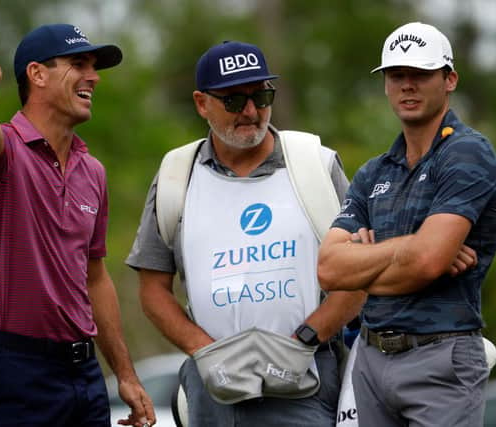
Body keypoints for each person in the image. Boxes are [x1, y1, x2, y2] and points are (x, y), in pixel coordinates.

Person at [126, 40, 365, 426]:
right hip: (211, 387)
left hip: (306, 379)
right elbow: (153, 290)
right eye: (234, 101)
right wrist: (206, 352)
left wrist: (304, 340)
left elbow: (359, 277)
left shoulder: (316, 164)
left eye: (261, 95)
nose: (251, 112)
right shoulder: (176, 175)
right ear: (202, 103)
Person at [0, 24, 155, 427]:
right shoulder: (5, 148)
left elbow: (95, 277)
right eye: (78, 64)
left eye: (94, 67)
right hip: (12, 372)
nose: (94, 77)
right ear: (37, 74)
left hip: (83, 376)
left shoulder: (93, 171)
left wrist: (125, 374)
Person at [317, 22, 496, 426]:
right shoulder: (373, 172)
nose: (407, 86)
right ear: (386, 84)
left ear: (449, 79)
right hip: (369, 359)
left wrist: (366, 261)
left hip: (441, 358)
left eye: (420, 74)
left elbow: (426, 264)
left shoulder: (467, 153)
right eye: (397, 75)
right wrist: (412, 248)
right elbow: (329, 270)